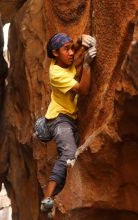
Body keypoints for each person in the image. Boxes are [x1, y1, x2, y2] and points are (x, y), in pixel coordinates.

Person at [41, 33, 96, 211]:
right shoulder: (56, 73)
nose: (72, 52)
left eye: (72, 48)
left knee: (71, 159)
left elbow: (74, 44)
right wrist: (87, 64)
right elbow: (83, 90)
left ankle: (57, 197)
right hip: (59, 119)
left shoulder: (64, 60)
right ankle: (46, 199)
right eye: (67, 49)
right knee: (69, 154)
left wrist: (80, 39)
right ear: (55, 53)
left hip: (70, 118)